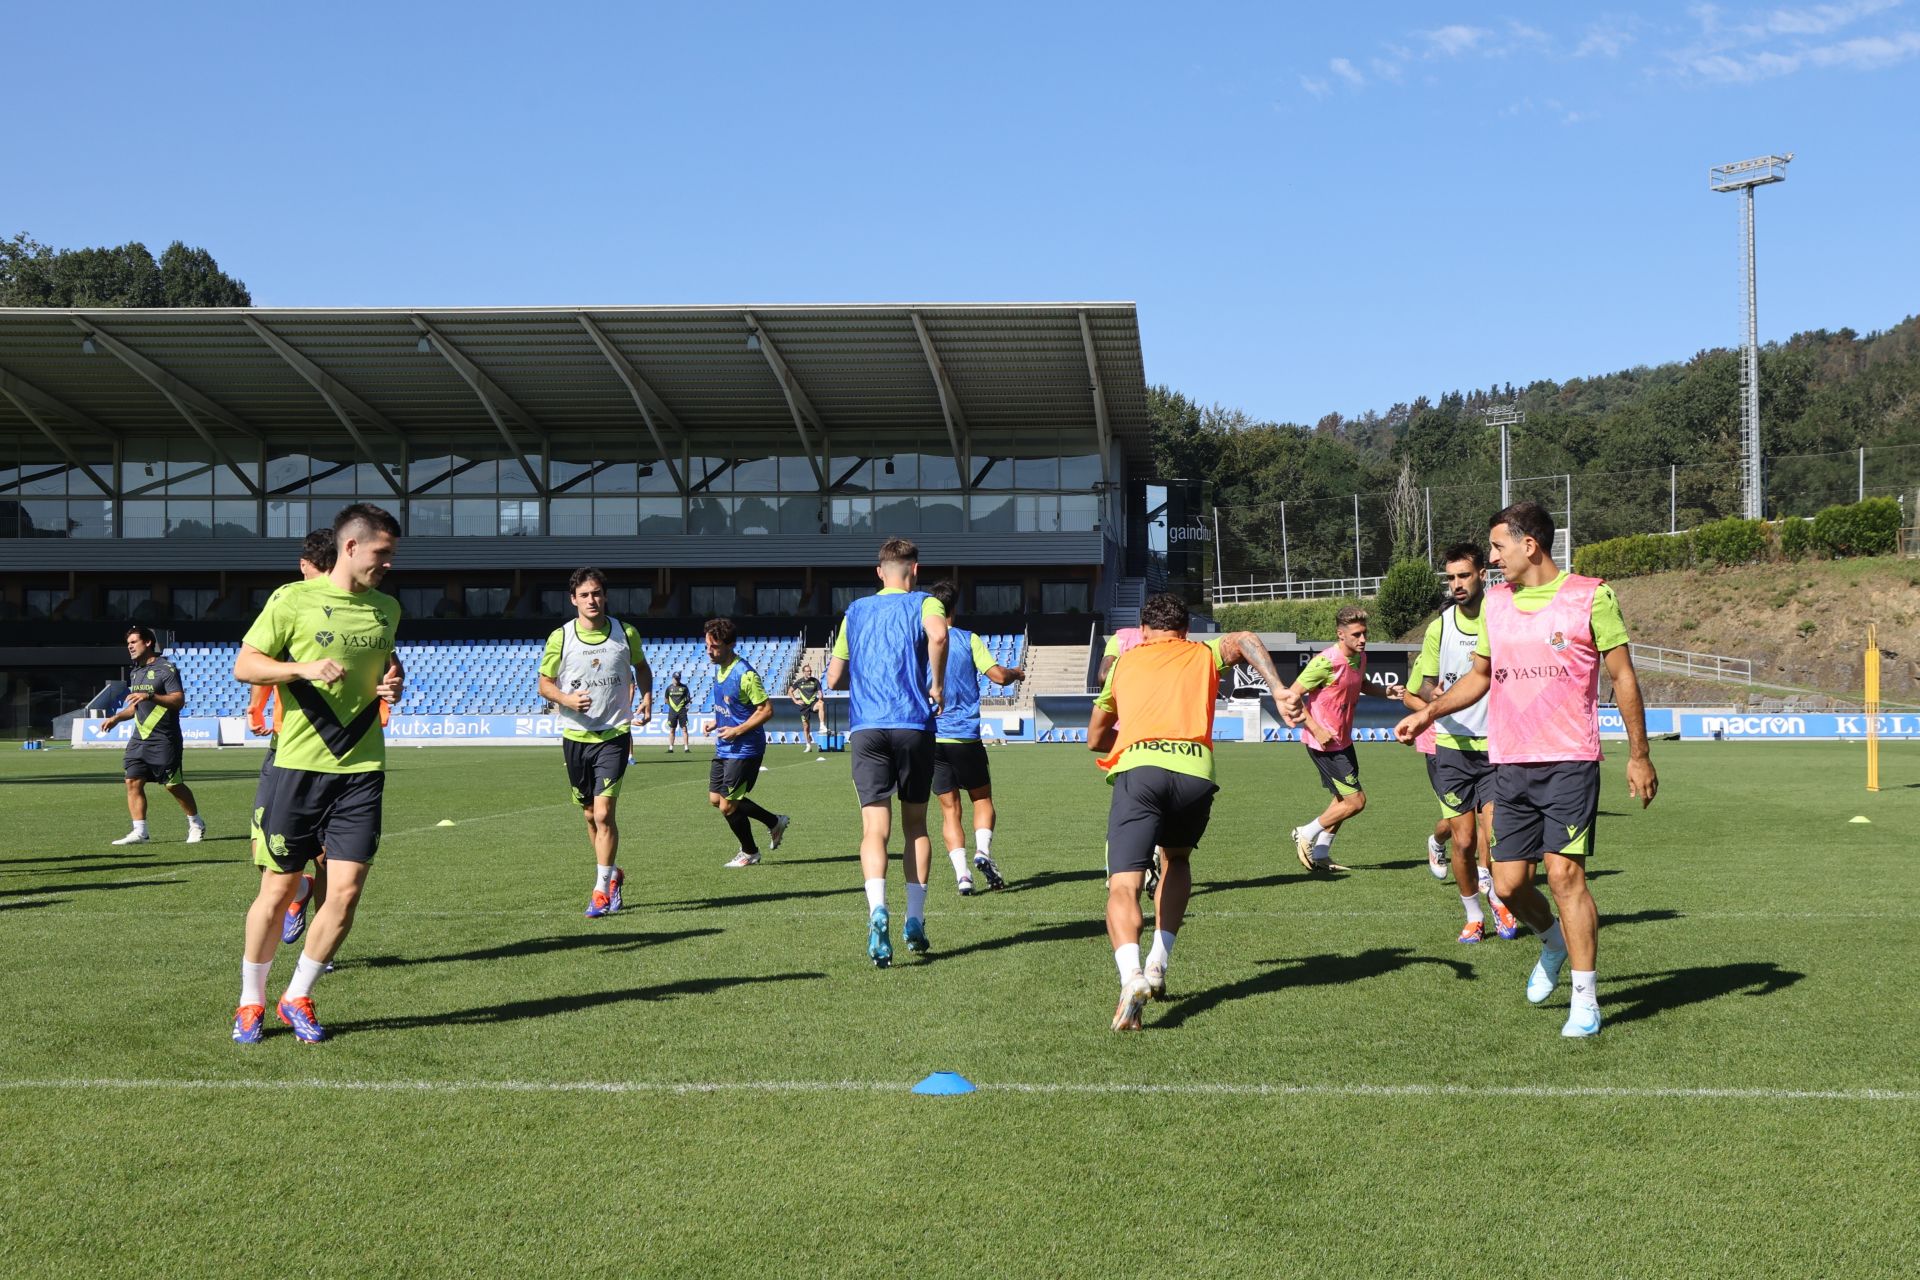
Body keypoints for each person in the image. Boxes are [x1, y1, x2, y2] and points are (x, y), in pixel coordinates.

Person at [1396, 501, 1659, 1038]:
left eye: (1497, 547)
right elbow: (1480, 678)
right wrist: (1428, 710)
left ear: (1529, 545)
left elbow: (1624, 677)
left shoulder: (1592, 596)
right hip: (1509, 760)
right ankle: (1554, 941)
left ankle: (1585, 1000)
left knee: (1565, 876)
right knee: (1511, 886)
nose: (1492, 558)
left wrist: (1639, 754)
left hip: (1569, 759)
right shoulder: (1496, 604)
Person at [229, 503, 404, 1045]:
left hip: (362, 767)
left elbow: (386, 663)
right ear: (351, 547)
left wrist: (394, 681)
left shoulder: (386, 609)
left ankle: (297, 993)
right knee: (278, 891)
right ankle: (250, 1001)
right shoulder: (292, 599)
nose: (389, 564)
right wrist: (300, 668)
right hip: (298, 766)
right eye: (382, 553)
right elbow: (246, 664)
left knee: (346, 891)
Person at [1088, 593, 1296, 1030]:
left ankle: (1131, 977)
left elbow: (1094, 738)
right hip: (1195, 773)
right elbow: (1245, 639)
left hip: (1141, 771)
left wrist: (1135, 745)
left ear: (1142, 632)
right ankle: (1159, 961)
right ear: (1185, 631)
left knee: (1123, 885)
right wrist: (1277, 688)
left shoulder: (1124, 664)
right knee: (1176, 859)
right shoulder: (1202, 654)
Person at [826, 537, 948, 967]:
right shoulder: (926, 603)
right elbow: (938, 635)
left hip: (867, 727)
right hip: (913, 724)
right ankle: (914, 918)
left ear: (880, 572)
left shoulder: (855, 611)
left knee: (874, 829)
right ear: (915, 570)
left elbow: (835, 675)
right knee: (915, 824)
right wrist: (936, 682)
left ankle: (878, 908)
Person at [1404, 543, 1519, 944]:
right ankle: (1473, 915)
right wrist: (1435, 701)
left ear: (1482, 575)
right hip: (1452, 748)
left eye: (1464, 576)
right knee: (1465, 840)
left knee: (1497, 833)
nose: (1456, 584)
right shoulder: (1441, 627)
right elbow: (1424, 687)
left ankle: (1501, 901)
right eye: (1451, 578)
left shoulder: (1502, 616)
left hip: (1497, 747)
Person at [537, 567, 653, 918]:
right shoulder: (561, 637)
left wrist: (646, 696)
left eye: (598, 593)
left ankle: (600, 891)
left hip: (614, 734)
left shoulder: (625, 632)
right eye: (585, 595)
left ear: (605, 596)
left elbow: (642, 668)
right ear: (574, 599)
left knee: (604, 813)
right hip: (575, 737)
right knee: (589, 815)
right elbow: (544, 684)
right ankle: (612, 873)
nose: (592, 600)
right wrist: (567, 700)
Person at [253, 528, 342, 946]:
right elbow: (256, 661)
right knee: (268, 856)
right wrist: (258, 706)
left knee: (329, 857)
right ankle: (298, 892)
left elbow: (386, 664)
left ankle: (319, 950)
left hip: (334, 751)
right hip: (285, 747)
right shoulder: (287, 601)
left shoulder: (356, 606)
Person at [1285, 605, 1404, 872]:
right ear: (1341, 634)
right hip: (1324, 744)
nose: (1363, 639)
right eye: (1356, 634)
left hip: (1343, 740)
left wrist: (1387, 692)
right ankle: (1305, 832)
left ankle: (1322, 853)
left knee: (1342, 800)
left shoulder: (1359, 658)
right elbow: (1292, 696)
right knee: (1356, 801)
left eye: (1365, 633)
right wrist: (1315, 728)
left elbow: (1361, 684)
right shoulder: (1324, 662)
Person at [923, 580, 1024, 895]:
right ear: (955, 607)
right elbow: (998, 676)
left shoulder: (921, 643)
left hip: (932, 738)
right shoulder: (968, 640)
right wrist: (1015, 673)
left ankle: (963, 875)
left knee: (949, 810)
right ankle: (983, 851)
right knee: (981, 798)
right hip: (965, 737)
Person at [105, 625, 204, 845]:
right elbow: (136, 707)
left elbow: (178, 701)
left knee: (172, 784)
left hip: (164, 739)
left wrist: (151, 695)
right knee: (132, 781)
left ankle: (196, 823)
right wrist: (116, 718)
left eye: (133, 642)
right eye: (128, 643)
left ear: (147, 642)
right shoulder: (135, 672)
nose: (129, 647)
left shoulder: (166, 669)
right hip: (139, 738)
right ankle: (140, 832)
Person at [701, 617, 789, 867]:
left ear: (730, 645)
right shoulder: (720, 669)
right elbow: (736, 707)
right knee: (716, 799)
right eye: (707, 646)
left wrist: (737, 730)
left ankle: (749, 852)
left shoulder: (745, 674)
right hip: (726, 745)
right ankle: (774, 821)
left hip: (746, 748)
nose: (709, 651)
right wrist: (717, 722)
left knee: (728, 806)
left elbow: (766, 710)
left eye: (714, 647)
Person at [788, 662, 826, 753]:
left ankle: (822, 725)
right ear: (803, 672)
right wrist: (795, 701)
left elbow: (820, 692)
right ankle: (808, 745)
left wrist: (820, 696)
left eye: (810, 671)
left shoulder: (815, 681)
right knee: (806, 727)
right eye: (807, 671)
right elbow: (790, 691)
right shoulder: (799, 682)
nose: (809, 673)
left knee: (821, 704)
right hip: (804, 706)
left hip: (813, 703)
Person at [663, 671, 693, 753]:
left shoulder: (684, 687)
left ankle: (686, 748)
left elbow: (688, 698)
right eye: (676, 678)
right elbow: (666, 699)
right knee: (672, 729)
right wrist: (672, 706)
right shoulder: (669, 688)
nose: (677, 680)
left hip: (682, 711)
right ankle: (670, 748)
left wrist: (684, 705)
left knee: (684, 729)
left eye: (678, 678)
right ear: (673, 678)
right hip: (672, 711)